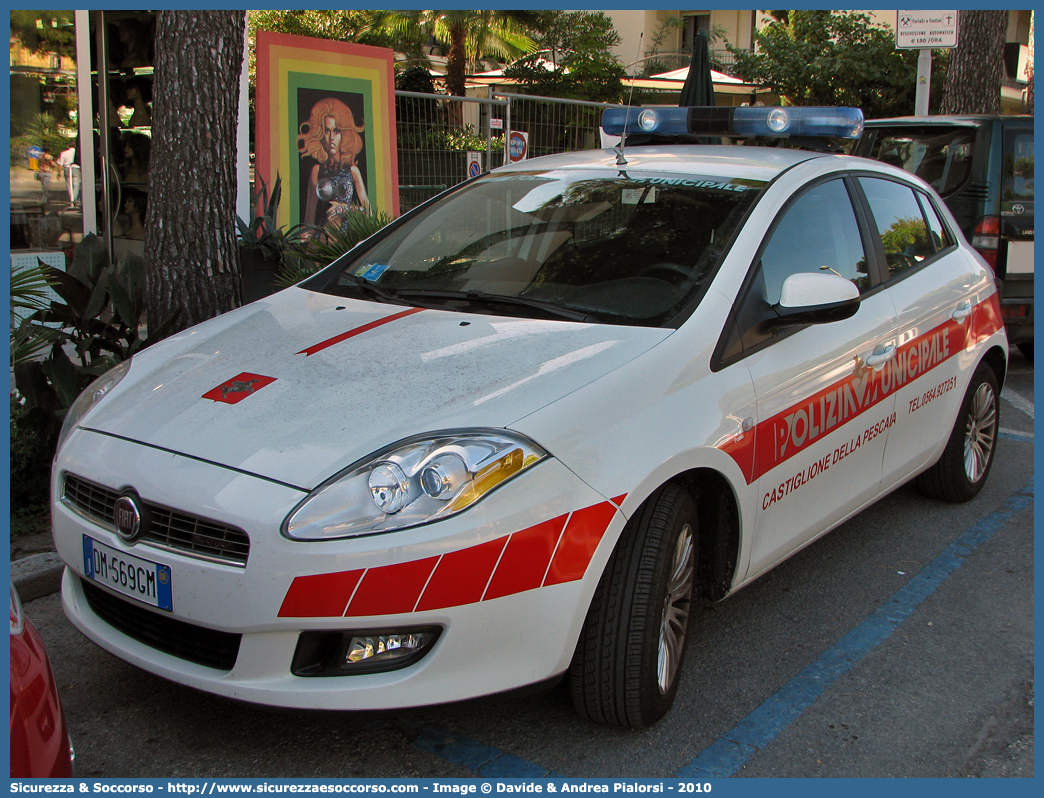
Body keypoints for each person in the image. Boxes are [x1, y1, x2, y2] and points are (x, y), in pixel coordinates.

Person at [297, 97, 369, 235]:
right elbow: (310, 214)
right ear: (320, 134)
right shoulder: (317, 171)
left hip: (348, 236)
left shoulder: (353, 171)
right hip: (325, 235)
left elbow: (368, 211)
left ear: (344, 135)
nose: (331, 137)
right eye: (327, 131)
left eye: (336, 131)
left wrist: (345, 209)